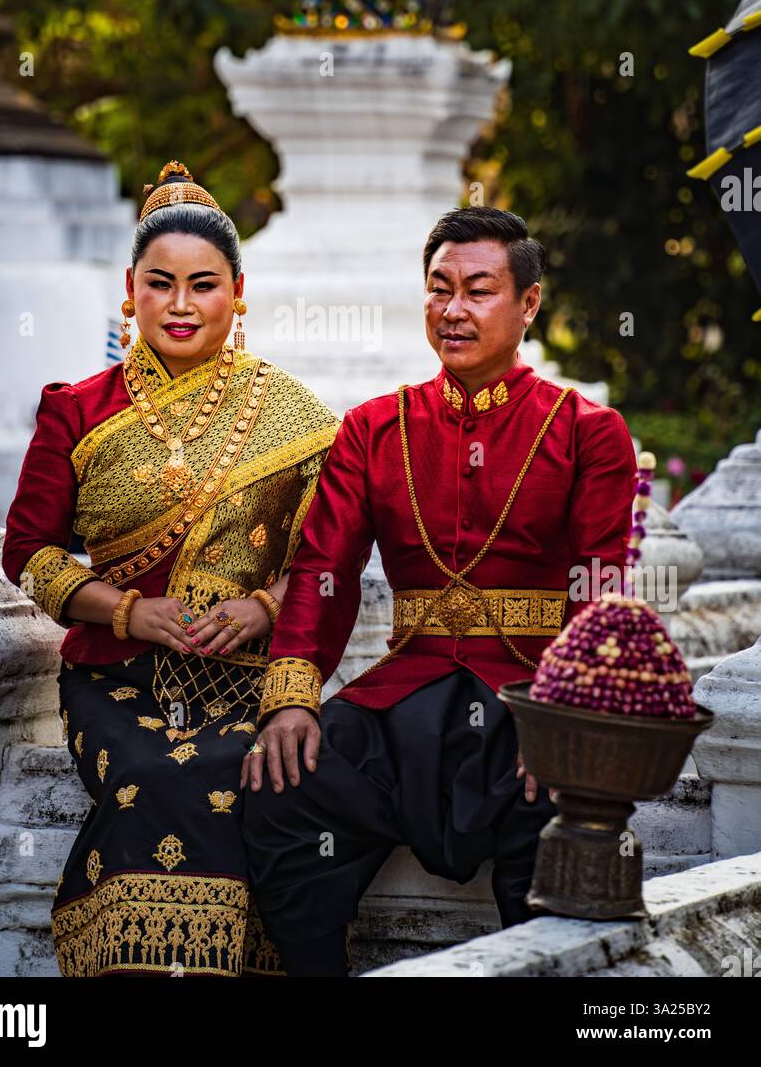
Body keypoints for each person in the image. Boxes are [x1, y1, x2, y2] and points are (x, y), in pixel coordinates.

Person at [241, 206, 637, 976]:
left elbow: (600, 581)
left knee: (560, 809)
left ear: (527, 304)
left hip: (530, 697)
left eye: (478, 290)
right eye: (438, 288)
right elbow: (325, 568)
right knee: (285, 789)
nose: (453, 310)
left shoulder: (588, 430)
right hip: (405, 698)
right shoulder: (373, 428)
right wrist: (291, 693)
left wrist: (568, 709)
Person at [2, 160, 339, 978]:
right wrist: (123, 612)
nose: (181, 305)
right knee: (152, 774)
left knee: (244, 770)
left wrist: (264, 607)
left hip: (247, 674)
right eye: (161, 284)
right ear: (131, 287)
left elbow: (326, 563)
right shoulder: (76, 408)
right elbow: (29, 554)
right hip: (114, 676)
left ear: (237, 290)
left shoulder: (295, 414)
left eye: (203, 284)